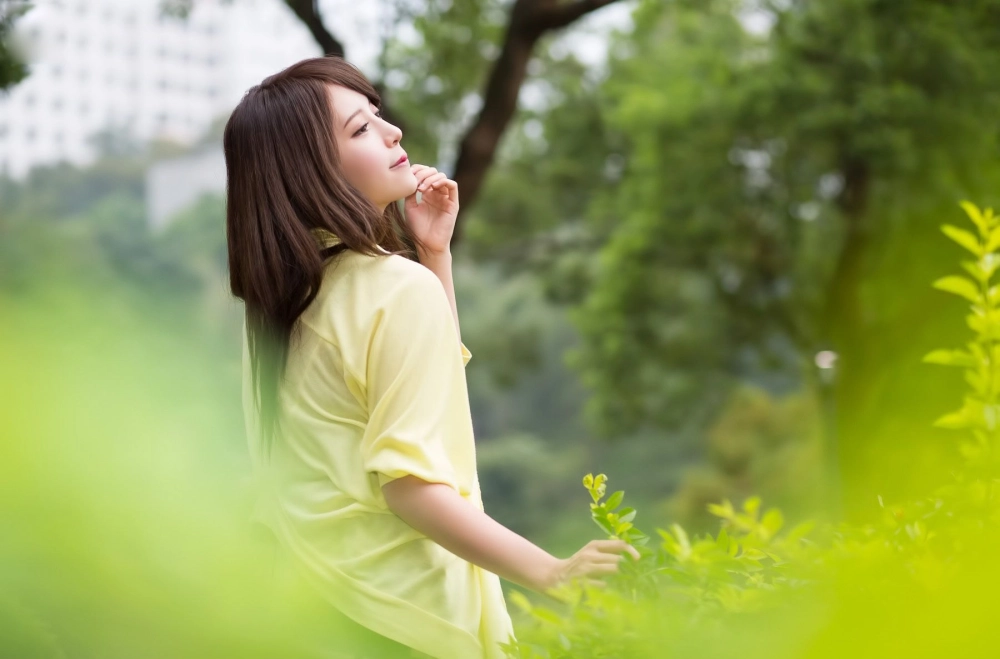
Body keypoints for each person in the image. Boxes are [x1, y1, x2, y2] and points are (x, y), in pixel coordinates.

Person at [224, 56, 640, 659]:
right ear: (310, 170)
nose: (392, 132)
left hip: (311, 609)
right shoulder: (392, 289)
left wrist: (433, 255)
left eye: (378, 116)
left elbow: (422, 393)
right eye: (360, 129)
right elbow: (410, 484)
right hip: (408, 620)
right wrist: (552, 571)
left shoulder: (280, 306)